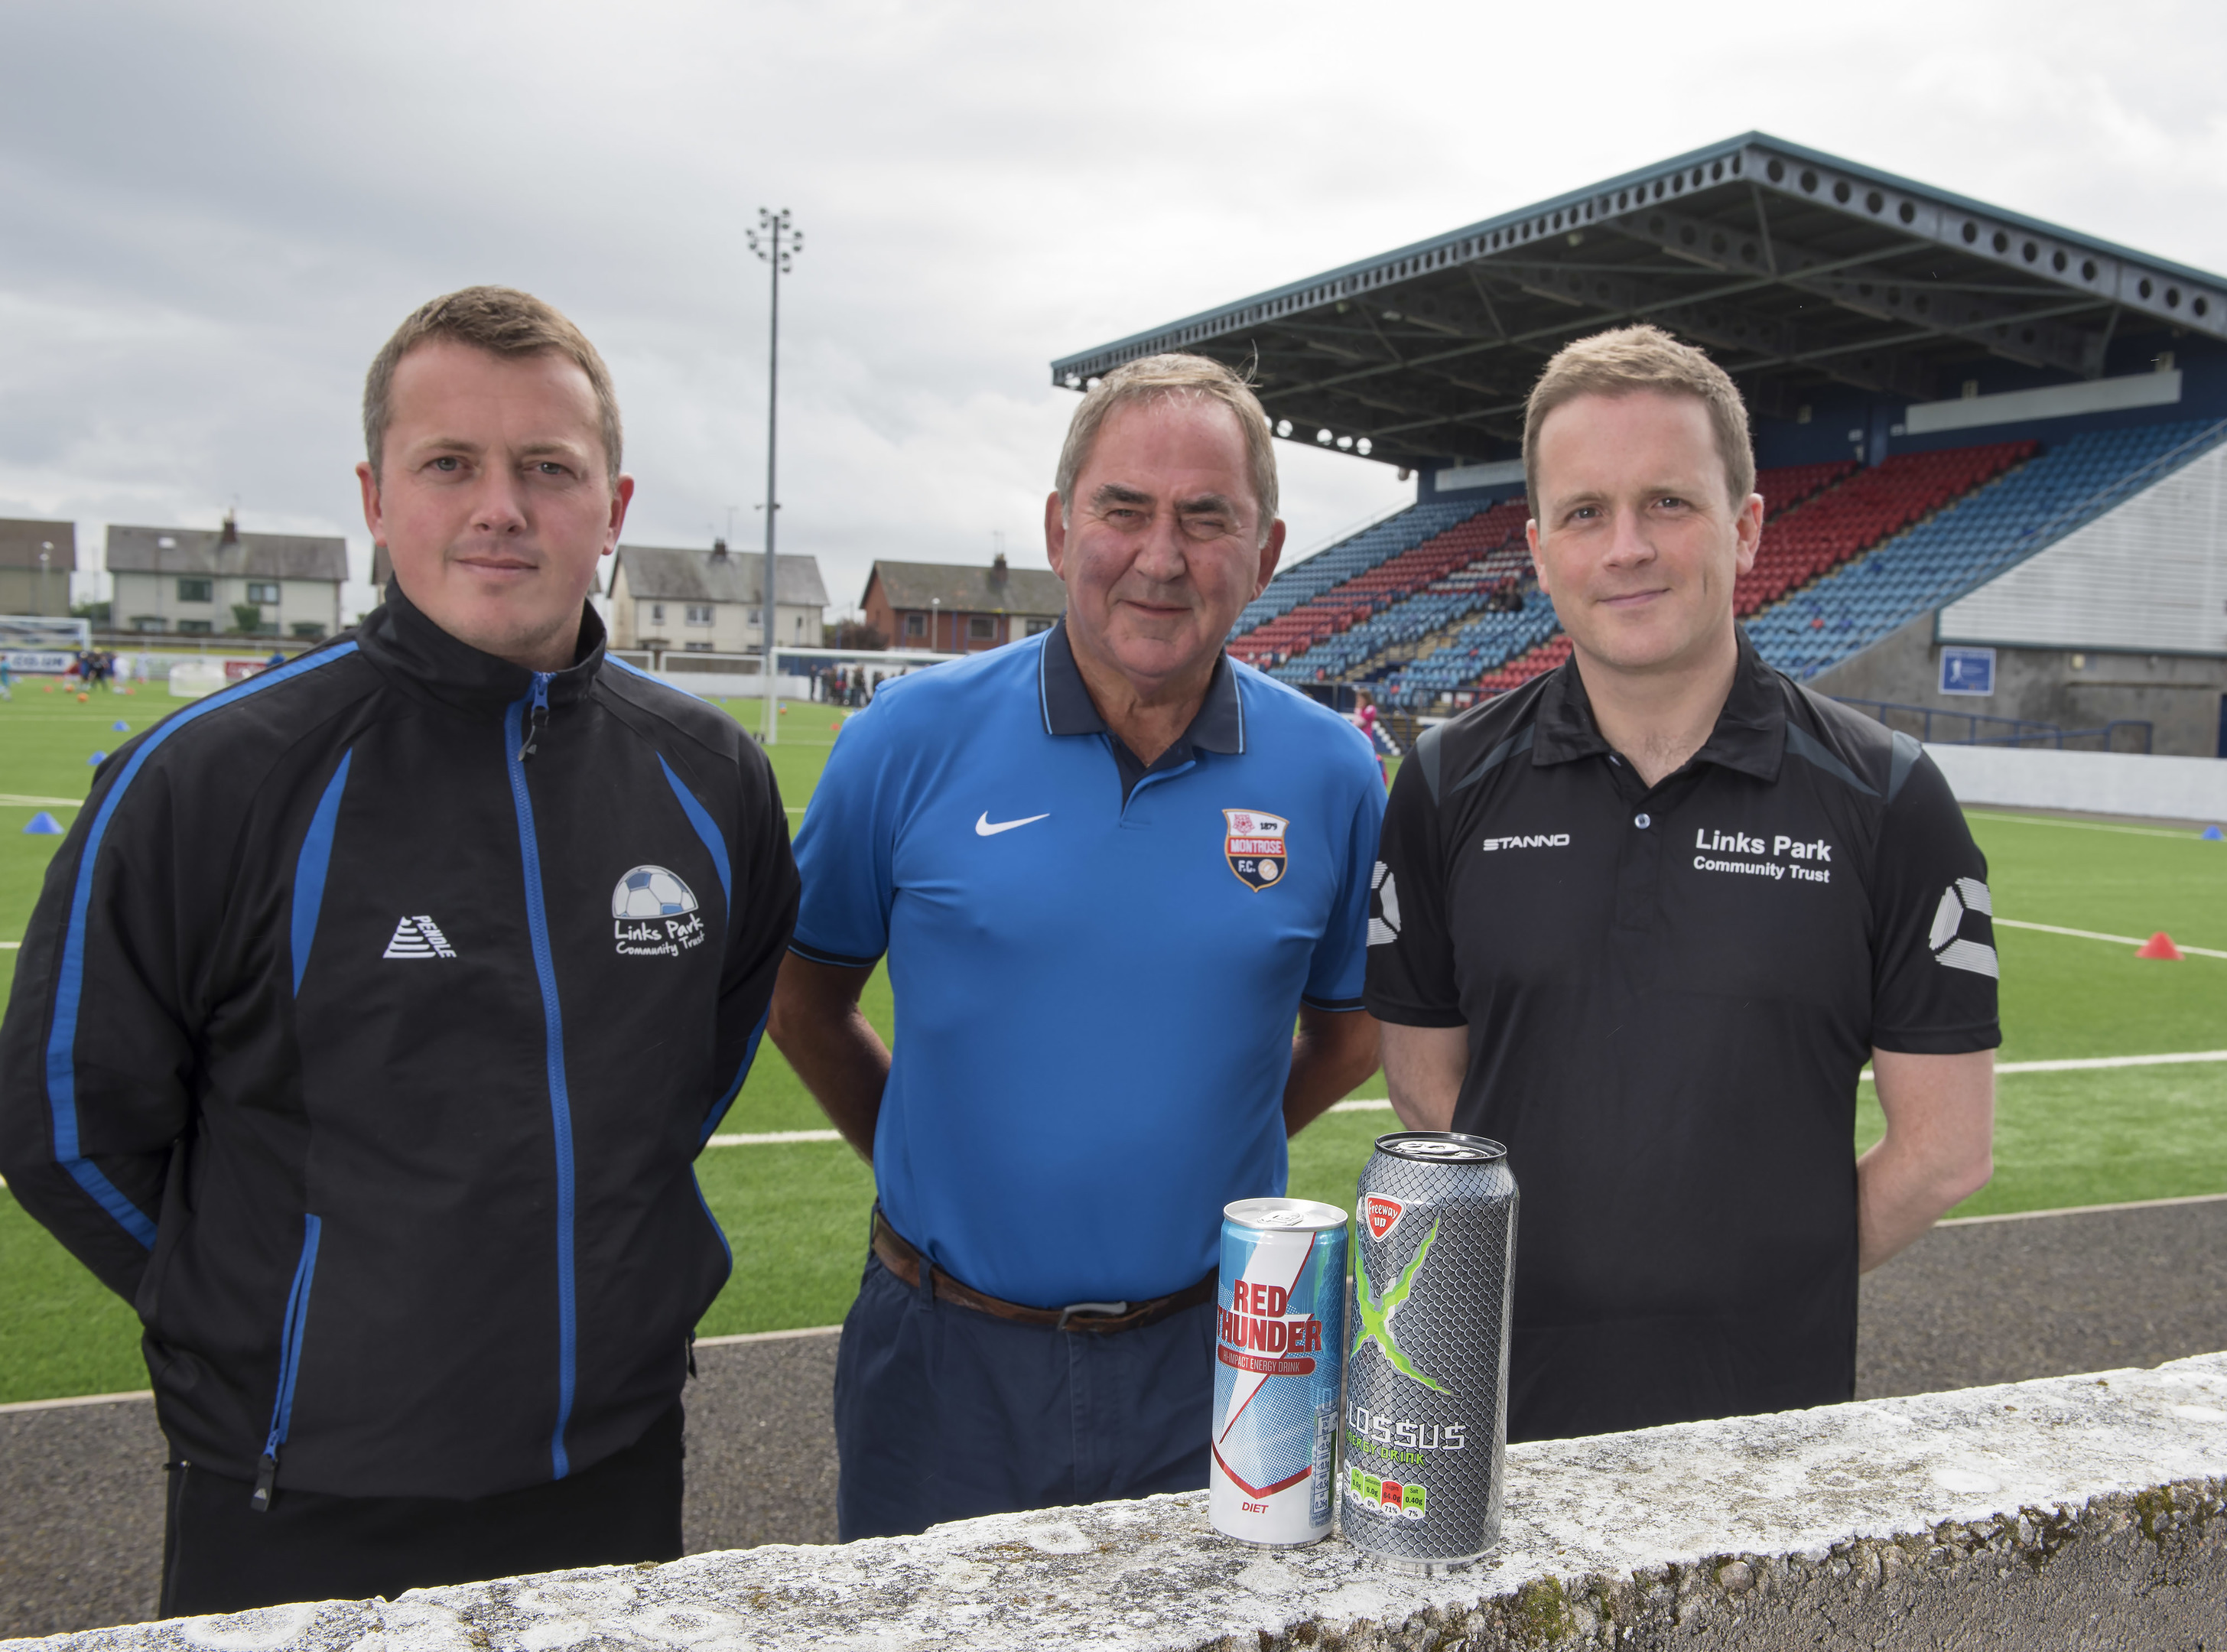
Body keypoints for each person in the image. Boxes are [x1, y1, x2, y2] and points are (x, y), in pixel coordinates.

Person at [0, 285, 797, 1614]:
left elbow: (685, 1078)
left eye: (549, 467)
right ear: (377, 498)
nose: (503, 506)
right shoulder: (205, 780)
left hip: (612, 1464)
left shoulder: (711, 778)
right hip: (303, 1497)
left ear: (614, 506)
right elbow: (68, 1129)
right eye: (451, 464)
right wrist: (288, 1317)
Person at [769, 353, 1387, 1540]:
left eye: (1208, 520)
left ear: (1265, 554)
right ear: (1061, 530)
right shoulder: (905, 739)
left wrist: (1202, 1150)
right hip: (942, 1360)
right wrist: (925, 1150)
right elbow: (803, 999)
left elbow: (1353, 1032)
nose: (1162, 556)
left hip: (1220, 1358)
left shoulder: (1332, 773)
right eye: (1124, 510)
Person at [1367, 324, 1998, 1444]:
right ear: (1540, 547)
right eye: (1586, 511)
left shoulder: (1890, 800)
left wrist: (1758, 1279)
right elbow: (1426, 1093)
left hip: (1769, 1432)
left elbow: (1946, 1151)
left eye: (1669, 503)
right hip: (1499, 1419)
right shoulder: (1444, 785)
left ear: (1746, 528)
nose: (1627, 548)